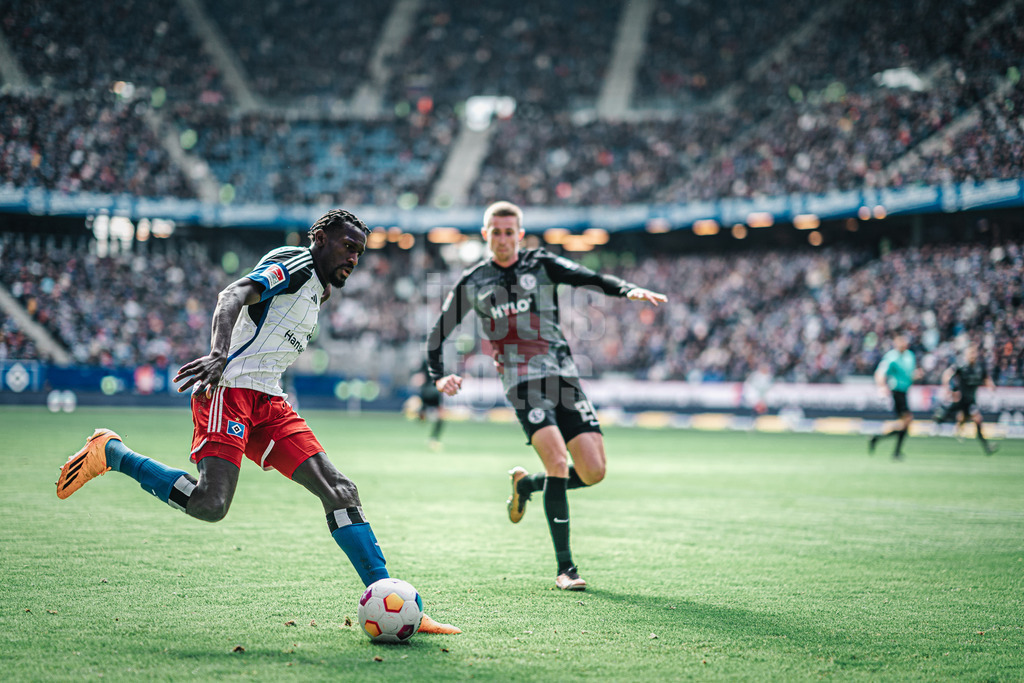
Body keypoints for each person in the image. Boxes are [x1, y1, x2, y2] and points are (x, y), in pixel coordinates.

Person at [56, 209, 459, 634]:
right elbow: (232, 294)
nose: (353, 258)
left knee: (341, 490)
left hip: (269, 399)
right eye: (347, 246)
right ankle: (113, 453)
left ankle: (389, 596)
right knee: (211, 505)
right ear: (320, 238)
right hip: (228, 390)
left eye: (358, 252)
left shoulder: (319, 290)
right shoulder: (297, 264)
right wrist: (218, 353)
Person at [426, 201, 667, 591]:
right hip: (521, 383)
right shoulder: (473, 282)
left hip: (563, 378)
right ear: (486, 235)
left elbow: (588, 277)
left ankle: (527, 486)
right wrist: (439, 378)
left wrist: (628, 290)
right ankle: (566, 568)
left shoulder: (540, 264)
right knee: (557, 461)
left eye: (510, 232)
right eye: (496, 232)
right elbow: (437, 337)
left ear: (519, 235)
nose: (503, 238)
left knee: (593, 472)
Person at [933, 343, 998, 455]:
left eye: (974, 353)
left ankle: (987, 447)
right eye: (970, 353)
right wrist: (948, 389)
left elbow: (986, 378)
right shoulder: (961, 365)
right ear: (966, 355)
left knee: (977, 420)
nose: (973, 356)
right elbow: (947, 374)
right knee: (943, 416)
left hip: (971, 400)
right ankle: (940, 421)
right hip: (960, 399)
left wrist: (991, 385)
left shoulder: (979, 367)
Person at [868, 334, 919, 460]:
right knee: (906, 420)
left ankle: (881, 440)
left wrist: (916, 376)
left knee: (905, 423)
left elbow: (910, 374)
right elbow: (880, 373)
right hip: (897, 392)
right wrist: (882, 386)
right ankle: (892, 448)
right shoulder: (891, 357)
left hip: (905, 391)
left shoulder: (910, 356)